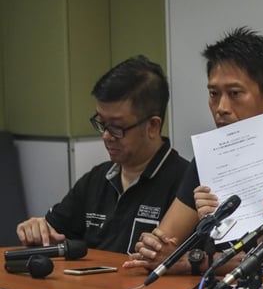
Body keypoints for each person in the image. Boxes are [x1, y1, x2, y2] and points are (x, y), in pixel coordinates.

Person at [124, 27, 263, 275]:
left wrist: (195, 261)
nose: (221, 107)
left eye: (235, 94)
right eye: (214, 94)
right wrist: (152, 247)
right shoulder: (208, 159)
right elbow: (166, 241)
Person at [16, 55, 187, 253]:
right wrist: (38, 231)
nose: (106, 136)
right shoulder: (96, 180)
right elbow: (54, 232)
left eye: (116, 127)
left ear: (153, 126)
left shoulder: (185, 183)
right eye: (101, 123)